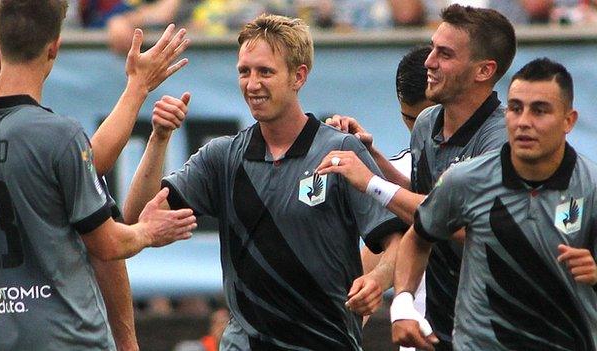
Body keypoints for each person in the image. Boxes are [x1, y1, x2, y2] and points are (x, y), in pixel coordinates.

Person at [123, 13, 403, 350]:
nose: (252, 84)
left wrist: (377, 279)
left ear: (299, 76)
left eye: (265, 72)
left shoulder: (341, 149)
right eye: (245, 71)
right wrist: (159, 138)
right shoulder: (222, 157)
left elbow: (396, 241)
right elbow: (137, 218)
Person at [0, 1, 198, 350]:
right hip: (65, 334)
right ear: (55, 47)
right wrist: (148, 231)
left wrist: (136, 87)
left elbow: (77, 164)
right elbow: (106, 244)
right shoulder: (59, 135)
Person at [317, 4, 516, 350]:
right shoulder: (427, 123)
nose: (429, 61)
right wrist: (370, 154)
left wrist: (371, 182)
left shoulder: (500, 138)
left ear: (484, 70)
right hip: (439, 322)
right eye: (433, 48)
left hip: (497, 325)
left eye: (445, 54)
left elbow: (462, 223)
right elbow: (424, 197)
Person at [391, 57, 597, 351]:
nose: (524, 121)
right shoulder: (464, 180)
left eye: (539, 110)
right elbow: (418, 236)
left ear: (569, 121)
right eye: (515, 108)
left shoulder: (590, 187)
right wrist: (402, 306)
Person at [325, 46, 434, 330]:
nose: (420, 129)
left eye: (431, 117)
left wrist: (372, 179)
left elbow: (447, 215)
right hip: (418, 336)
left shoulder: (488, 156)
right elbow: (379, 251)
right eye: (410, 119)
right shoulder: (400, 166)